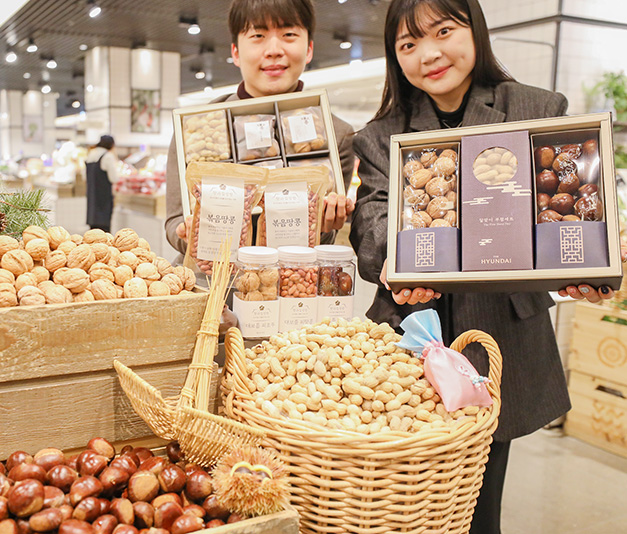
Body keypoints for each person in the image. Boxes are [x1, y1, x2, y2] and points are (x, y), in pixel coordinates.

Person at [349, 1, 613, 533]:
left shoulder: (536, 107)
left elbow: (567, 197)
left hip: (500, 337)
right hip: (414, 339)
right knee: (403, 498)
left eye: (443, 31)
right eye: (408, 45)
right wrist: (399, 264)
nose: (429, 53)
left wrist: (590, 259)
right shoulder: (381, 135)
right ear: (395, 59)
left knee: (479, 500)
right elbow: (370, 227)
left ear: (476, 30)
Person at [164, 0, 356, 259]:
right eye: (258, 35)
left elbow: (325, 234)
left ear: (309, 48)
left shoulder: (336, 134)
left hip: (292, 287)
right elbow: (175, 220)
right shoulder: (196, 127)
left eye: (289, 34)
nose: (274, 50)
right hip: (211, 287)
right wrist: (188, 233)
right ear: (235, 52)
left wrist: (323, 225)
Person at [86, 135, 119, 233]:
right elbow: (114, 178)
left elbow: (85, 177)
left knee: (92, 233)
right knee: (104, 233)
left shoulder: (90, 154)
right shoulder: (107, 156)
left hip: (92, 197)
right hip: (104, 198)